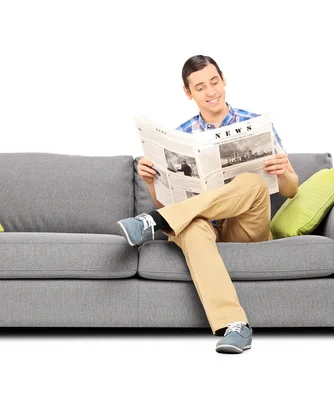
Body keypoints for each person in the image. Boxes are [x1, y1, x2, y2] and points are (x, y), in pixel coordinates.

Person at [117, 55, 299, 354]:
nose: (211, 91)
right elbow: (166, 200)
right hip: (206, 224)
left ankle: (153, 222)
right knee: (190, 229)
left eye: (214, 82)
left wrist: (284, 171)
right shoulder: (181, 135)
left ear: (224, 79)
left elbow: (291, 191)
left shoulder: (254, 124)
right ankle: (235, 326)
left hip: (246, 224)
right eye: (200, 87)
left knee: (251, 183)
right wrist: (151, 181)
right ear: (188, 93)